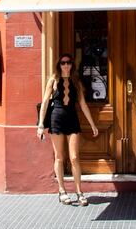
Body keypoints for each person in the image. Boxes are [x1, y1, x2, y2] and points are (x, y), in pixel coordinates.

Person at [37, 54, 99, 206]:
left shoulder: (76, 81)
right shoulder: (53, 80)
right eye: (63, 63)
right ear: (59, 64)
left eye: (68, 63)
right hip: (56, 119)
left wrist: (92, 124)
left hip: (72, 119)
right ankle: (62, 191)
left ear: (72, 65)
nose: (66, 65)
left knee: (74, 157)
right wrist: (40, 125)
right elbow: (45, 102)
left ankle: (79, 192)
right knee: (59, 157)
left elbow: (83, 104)